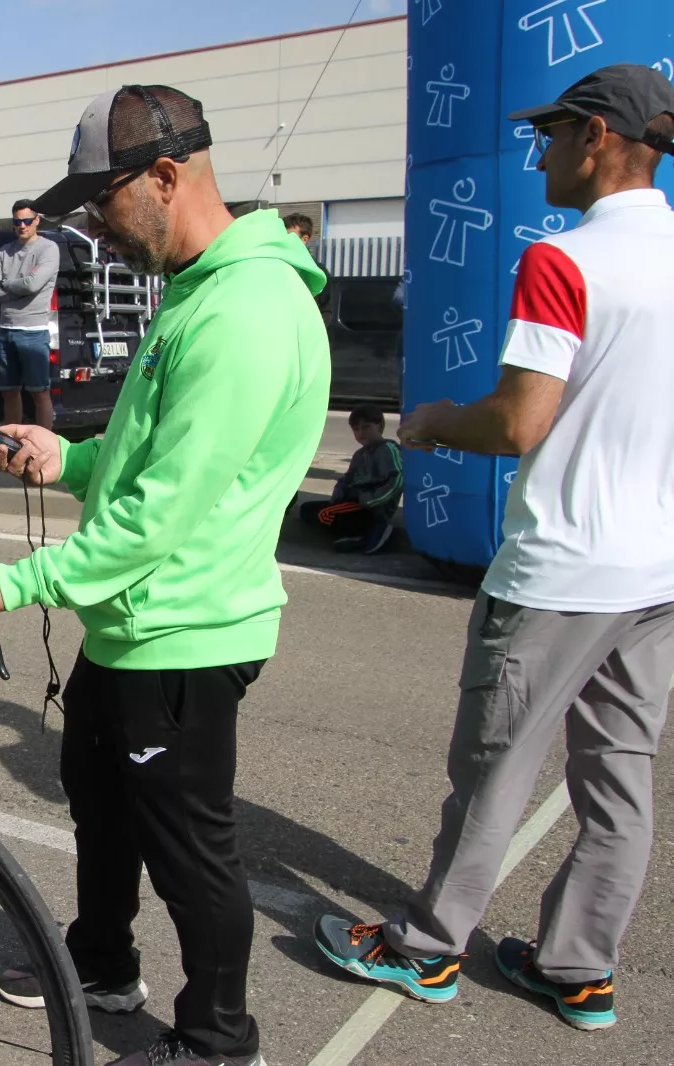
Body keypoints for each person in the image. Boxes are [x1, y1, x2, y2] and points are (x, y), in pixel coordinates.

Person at [0, 85, 329, 1066]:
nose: (90, 231)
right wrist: (63, 456)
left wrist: (19, 582)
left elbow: (165, 513)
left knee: (191, 854)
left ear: (165, 176)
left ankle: (214, 1040)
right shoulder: (196, 288)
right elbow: (145, 462)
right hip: (133, 624)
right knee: (95, 795)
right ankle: (102, 964)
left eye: (98, 204)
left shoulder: (242, 311)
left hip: (187, 631)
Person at [312, 63, 674, 1035]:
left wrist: (431, 420)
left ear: (595, 135)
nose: (540, 150)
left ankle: (427, 946)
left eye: (549, 134)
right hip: (656, 570)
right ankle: (578, 967)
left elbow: (519, 422)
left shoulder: (566, 260)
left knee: (493, 766)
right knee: (619, 776)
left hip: (560, 566)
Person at [0, 199, 58, 432]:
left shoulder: (48, 249)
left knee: (40, 392)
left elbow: (33, 284)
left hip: (33, 332)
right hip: (4, 330)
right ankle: (13, 444)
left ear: (37, 220)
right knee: (9, 392)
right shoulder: (5, 252)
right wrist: (19, 287)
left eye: (27, 221)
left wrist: (6, 285)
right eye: (17, 222)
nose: (22, 226)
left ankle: (45, 446)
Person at [297, 404, 401, 553]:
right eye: (356, 429)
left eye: (366, 427)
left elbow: (397, 480)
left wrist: (372, 500)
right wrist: (339, 492)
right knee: (307, 510)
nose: (361, 433)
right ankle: (355, 535)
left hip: (371, 506)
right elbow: (348, 479)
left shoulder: (387, 449)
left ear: (380, 426)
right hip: (352, 502)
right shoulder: (360, 454)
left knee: (325, 514)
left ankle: (371, 531)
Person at [283, 213, 331, 308]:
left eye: (290, 237)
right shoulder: (275, 264)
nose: (284, 241)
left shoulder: (318, 272)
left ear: (305, 239)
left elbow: (326, 310)